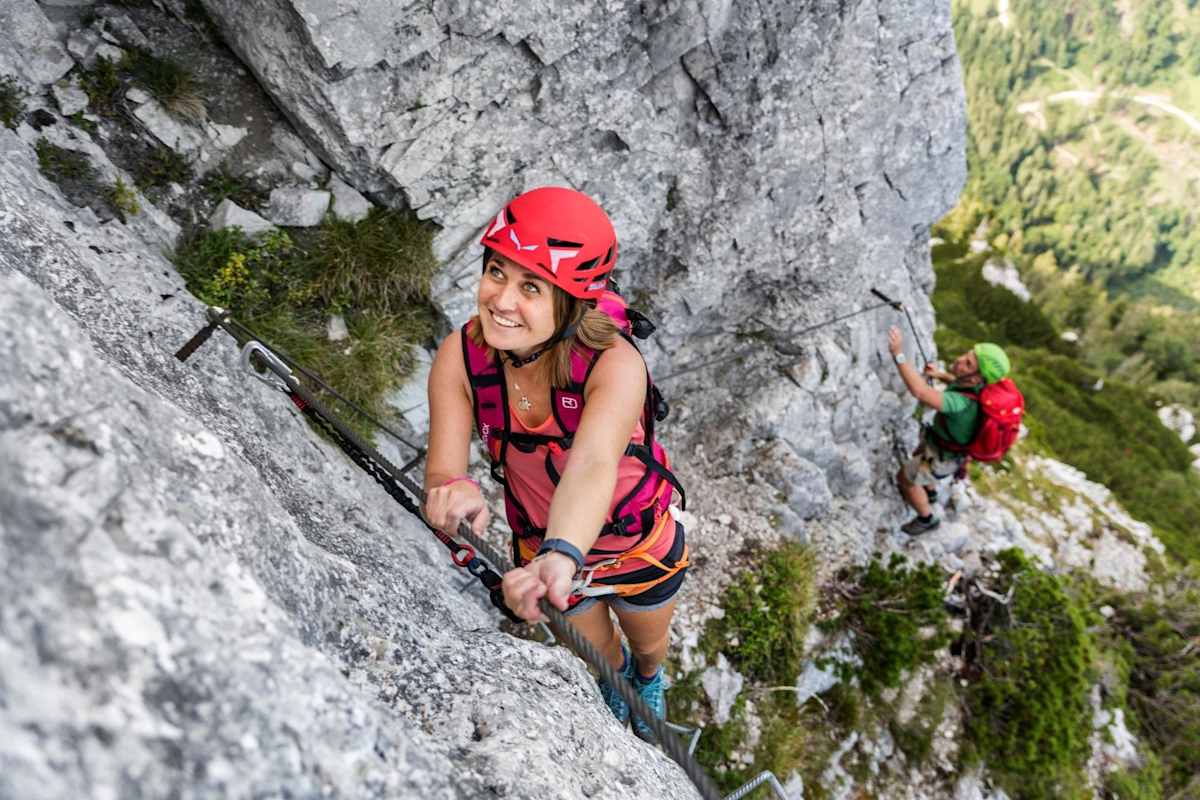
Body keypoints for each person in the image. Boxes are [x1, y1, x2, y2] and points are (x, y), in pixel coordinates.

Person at [422, 186, 688, 741]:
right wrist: (456, 491)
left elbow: (593, 463)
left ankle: (650, 681)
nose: (501, 300)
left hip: (633, 544)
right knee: (605, 658)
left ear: (572, 303)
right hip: (546, 553)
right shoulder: (462, 357)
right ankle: (620, 697)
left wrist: (563, 552)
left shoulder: (613, 365)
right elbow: (444, 473)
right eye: (497, 271)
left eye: (531, 287)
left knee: (646, 646)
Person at [887, 326, 1010, 534]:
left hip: (940, 456)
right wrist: (940, 375)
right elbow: (957, 381)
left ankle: (926, 517)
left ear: (976, 378)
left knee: (905, 478)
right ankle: (931, 491)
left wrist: (898, 354)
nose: (961, 360)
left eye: (968, 363)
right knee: (920, 457)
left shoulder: (959, 403)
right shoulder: (981, 390)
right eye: (966, 354)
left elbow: (920, 391)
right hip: (945, 448)